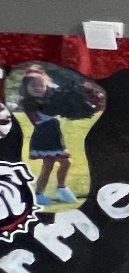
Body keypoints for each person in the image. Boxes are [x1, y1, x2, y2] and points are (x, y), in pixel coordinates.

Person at [15, 64, 101, 205]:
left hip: (54, 134)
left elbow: (61, 105)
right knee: (49, 166)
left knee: (65, 163)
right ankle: (40, 194)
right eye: (33, 86)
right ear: (26, 88)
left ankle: (60, 188)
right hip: (44, 136)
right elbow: (40, 117)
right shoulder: (30, 103)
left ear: (46, 85)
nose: (38, 88)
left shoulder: (53, 97)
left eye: (41, 85)